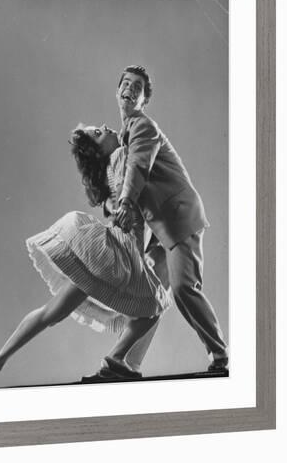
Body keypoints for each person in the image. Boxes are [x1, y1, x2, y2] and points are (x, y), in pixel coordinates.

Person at [0, 124, 171, 389]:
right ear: (99, 151)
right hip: (120, 255)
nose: (105, 127)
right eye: (98, 133)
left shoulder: (110, 174)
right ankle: (117, 360)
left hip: (105, 254)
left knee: (52, 312)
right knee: (155, 306)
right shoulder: (122, 156)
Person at [110, 64, 228, 373]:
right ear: (117, 91)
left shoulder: (142, 126)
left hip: (179, 221)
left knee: (183, 289)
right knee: (148, 296)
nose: (130, 89)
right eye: (126, 83)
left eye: (138, 87)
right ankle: (126, 363)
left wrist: (124, 201)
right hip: (162, 231)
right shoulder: (127, 135)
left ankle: (220, 355)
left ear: (144, 100)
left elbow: (138, 168)